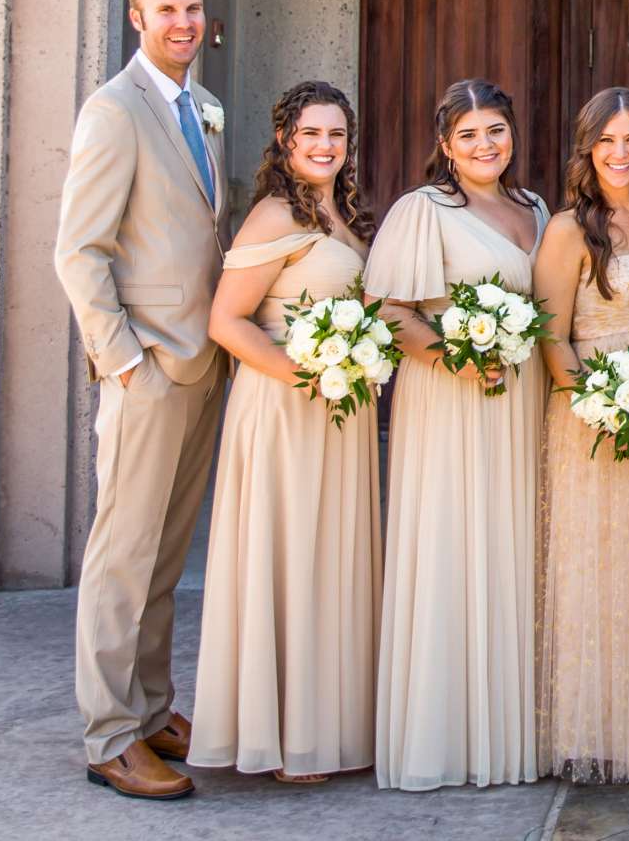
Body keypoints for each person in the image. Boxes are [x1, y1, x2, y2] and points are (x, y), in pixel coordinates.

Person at [55, 0, 227, 802]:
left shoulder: (200, 107)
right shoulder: (113, 110)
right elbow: (79, 250)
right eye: (166, 9)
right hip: (148, 369)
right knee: (122, 553)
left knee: (163, 553)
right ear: (137, 17)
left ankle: (152, 706)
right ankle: (110, 735)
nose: (182, 22)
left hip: (201, 364)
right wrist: (122, 359)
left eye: (192, 8)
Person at [189, 81, 383, 783]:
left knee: (330, 556)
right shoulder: (273, 214)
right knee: (292, 554)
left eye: (336, 135)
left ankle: (330, 726)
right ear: (285, 141)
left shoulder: (342, 211)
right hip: (282, 406)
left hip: (339, 409)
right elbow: (227, 321)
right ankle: (287, 736)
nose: (326, 146)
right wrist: (306, 375)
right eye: (311, 135)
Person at [365, 79, 551, 790]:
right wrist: (458, 357)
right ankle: (444, 735)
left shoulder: (534, 208)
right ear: (445, 144)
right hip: (449, 399)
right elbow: (388, 308)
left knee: (514, 545)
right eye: (469, 134)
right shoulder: (424, 210)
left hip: (521, 396)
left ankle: (511, 729)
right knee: (452, 544)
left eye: (497, 130)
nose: (486, 145)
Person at [533, 88, 629, 783]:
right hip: (593, 418)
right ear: (587, 149)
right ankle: (602, 727)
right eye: (606, 142)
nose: (620, 154)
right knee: (602, 568)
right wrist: (595, 403)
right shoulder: (569, 229)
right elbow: (552, 335)